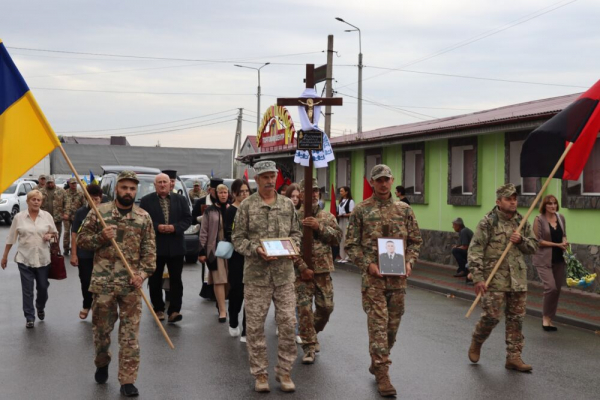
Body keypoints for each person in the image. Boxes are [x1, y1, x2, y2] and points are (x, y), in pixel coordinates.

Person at [77, 171, 156, 397]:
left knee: (130, 336)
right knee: (102, 332)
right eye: (124, 188)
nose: (128, 192)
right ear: (117, 189)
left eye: (132, 189)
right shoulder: (99, 213)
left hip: (131, 286)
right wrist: (101, 236)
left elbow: (150, 254)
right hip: (104, 285)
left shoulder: (143, 217)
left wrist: (142, 274)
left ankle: (127, 380)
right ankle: (102, 362)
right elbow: (82, 240)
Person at [345, 164, 422, 398]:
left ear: (392, 180)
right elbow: (351, 245)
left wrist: (409, 262)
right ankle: (383, 374)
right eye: (379, 180)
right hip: (373, 281)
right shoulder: (361, 210)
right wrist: (367, 264)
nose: (383, 183)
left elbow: (416, 241)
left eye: (387, 179)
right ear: (372, 182)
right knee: (378, 325)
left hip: (398, 281)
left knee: (392, 328)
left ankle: (378, 359)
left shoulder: (405, 210)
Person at [232, 160, 302, 393]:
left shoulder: (287, 204)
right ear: (257, 179)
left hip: (284, 276)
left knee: (287, 325)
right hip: (256, 277)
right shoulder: (247, 206)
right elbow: (238, 239)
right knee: (254, 327)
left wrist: (294, 248)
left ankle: (284, 372)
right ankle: (260, 374)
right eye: (265, 177)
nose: (270, 180)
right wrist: (256, 250)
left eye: (273, 176)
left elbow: (296, 233)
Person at [468, 183, 538, 373]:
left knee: (517, 319)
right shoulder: (488, 222)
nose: (513, 202)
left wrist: (521, 240)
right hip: (494, 278)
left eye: (515, 198)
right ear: (498, 201)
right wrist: (477, 277)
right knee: (491, 316)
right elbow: (475, 250)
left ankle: (513, 357)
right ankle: (477, 340)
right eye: (508, 199)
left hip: (517, 278)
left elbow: (534, 246)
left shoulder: (521, 222)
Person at [294, 178, 342, 365]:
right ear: (301, 194)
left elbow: (337, 238)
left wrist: (318, 227)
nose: (314, 194)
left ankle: (311, 333)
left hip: (322, 271)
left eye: (316, 191)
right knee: (304, 310)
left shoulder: (327, 216)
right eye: (309, 191)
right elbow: (289, 244)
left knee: (326, 307)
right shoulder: (293, 216)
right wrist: (301, 266)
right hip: (301, 272)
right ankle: (308, 347)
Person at [140, 173, 192, 324]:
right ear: (155, 185)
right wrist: (157, 227)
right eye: (159, 182)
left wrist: (174, 227)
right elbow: (142, 220)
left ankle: (174, 311)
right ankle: (158, 309)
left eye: (165, 182)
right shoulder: (146, 201)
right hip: (155, 246)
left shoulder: (180, 199)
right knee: (155, 280)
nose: (162, 185)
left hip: (176, 246)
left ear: (171, 184)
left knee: (176, 280)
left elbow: (188, 219)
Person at [2, 190, 58, 329]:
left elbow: (55, 234)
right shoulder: (19, 218)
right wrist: (4, 256)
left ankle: (40, 306)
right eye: (33, 199)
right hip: (24, 259)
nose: (36, 202)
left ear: (41, 202)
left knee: (43, 288)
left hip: (43, 259)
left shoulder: (47, 216)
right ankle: (29, 317)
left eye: (38, 200)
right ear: (27, 201)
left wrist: (49, 236)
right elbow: (11, 238)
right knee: (27, 290)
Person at [532, 195, 567, 332]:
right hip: (543, 259)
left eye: (554, 203)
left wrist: (564, 243)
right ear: (544, 206)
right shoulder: (538, 219)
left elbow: (564, 234)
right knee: (551, 287)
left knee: (557, 290)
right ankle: (545, 318)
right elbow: (538, 241)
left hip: (559, 258)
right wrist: (557, 244)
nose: (553, 206)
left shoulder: (561, 218)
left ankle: (550, 318)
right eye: (549, 204)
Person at [70, 184, 103, 320]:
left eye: (98, 198)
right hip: (84, 253)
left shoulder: (107, 212)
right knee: (86, 280)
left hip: (102, 254)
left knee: (101, 282)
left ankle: (100, 307)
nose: (95, 201)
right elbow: (74, 234)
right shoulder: (81, 212)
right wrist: (74, 254)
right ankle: (87, 305)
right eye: (92, 198)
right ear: (86, 198)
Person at [199, 183, 230, 322]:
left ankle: (221, 301)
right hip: (215, 249)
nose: (223, 195)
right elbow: (204, 231)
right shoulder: (209, 211)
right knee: (219, 279)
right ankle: (223, 311)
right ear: (216, 194)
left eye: (225, 192)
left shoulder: (233, 208)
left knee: (229, 281)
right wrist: (202, 250)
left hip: (231, 249)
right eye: (220, 192)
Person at [225, 179, 250, 340]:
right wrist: (243, 245)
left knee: (251, 293)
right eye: (241, 192)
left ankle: (247, 330)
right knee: (237, 292)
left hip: (253, 256)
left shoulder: (253, 209)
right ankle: (233, 319)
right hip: (236, 256)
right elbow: (229, 234)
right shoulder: (230, 211)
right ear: (234, 193)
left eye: (247, 191)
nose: (245, 194)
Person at [40, 176, 66, 251]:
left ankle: (55, 251)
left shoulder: (61, 191)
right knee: (44, 236)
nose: (50, 184)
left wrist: (65, 213)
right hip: (44, 218)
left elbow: (66, 203)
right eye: (48, 183)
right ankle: (46, 250)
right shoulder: (41, 191)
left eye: (51, 183)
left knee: (56, 236)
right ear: (46, 183)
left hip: (57, 218)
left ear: (54, 182)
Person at [63, 177, 85, 255]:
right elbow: (61, 204)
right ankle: (66, 248)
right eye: (72, 183)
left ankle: (74, 248)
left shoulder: (80, 193)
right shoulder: (65, 193)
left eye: (75, 183)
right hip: (67, 216)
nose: (74, 185)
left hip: (76, 217)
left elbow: (84, 205)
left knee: (75, 232)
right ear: (69, 184)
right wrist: (63, 213)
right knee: (66, 232)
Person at [337, 186, 355, 263]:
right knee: (341, 238)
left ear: (346, 192)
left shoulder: (350, 201)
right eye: (340, 191)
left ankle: (348, 256)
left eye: (342, 191)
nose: (340, 193)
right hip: (341, 220)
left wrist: (344, 215)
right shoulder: (341, 201)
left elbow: (352, 213)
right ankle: (342, 256)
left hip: (347, 221)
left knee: (346, 238)